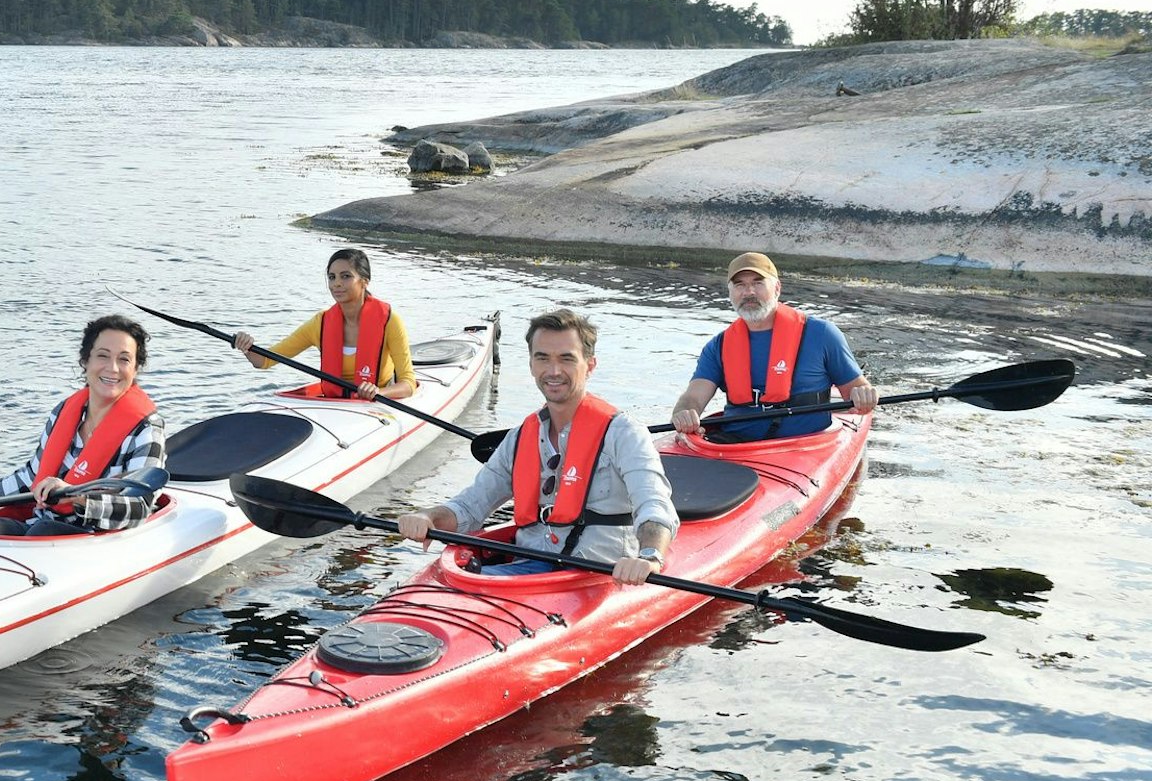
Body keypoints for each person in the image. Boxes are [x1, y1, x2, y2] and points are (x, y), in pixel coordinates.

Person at [398, 309, 677, 585]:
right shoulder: (521, 437)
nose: (553, 371)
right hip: (527, 570)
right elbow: (470, 507)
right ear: (531, 364)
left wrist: (650, 555)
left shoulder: (624, 433)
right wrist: (427, 517)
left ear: (590, 365)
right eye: (542, 358)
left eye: (567, 359)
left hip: (594, 575)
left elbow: (654, 505)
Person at [0, 315, 166, 536]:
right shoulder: (64, 413)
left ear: (135, 369)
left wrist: (79, 498)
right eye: (102, 355)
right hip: (43, 530)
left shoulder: (146, 429)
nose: (113, 368)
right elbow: (29, 478)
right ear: (85, 361)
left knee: (44, 528)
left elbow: (140, 508)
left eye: (124, 359)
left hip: (96, 538)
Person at [670, 252, 879, 442]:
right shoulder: (718, 346)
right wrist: (685, 412)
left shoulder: (822, 334)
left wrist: (863, 395)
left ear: (777, 288)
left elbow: (855, 389)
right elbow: (693, 398)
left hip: (806, 446)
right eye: (740, 285)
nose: (749, 292)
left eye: (758, 283)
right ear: (731, 292)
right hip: (736, 445)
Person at [230, 247, 417, 401]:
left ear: (364, 282)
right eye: (332, 277)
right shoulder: (320, 323)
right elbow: (264, 361)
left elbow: (408, 384)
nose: (336, 284)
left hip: (377, 405)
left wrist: (379, 393)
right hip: (333, 405)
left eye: (345, 276)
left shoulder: (390, 321)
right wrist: (246, 347)